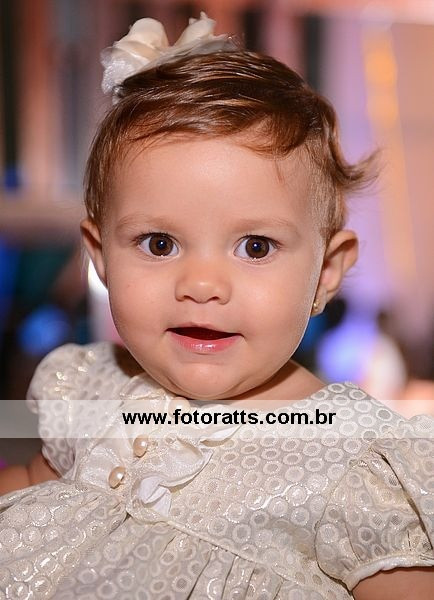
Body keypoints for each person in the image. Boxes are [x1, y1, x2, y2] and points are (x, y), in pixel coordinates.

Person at [0, 13, 432, 600]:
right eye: (159, 244)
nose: (202, 285)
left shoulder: (354, 462)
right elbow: (35, 502)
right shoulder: (90, 387)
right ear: (100, 257)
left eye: (255, 247)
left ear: (326, 272)